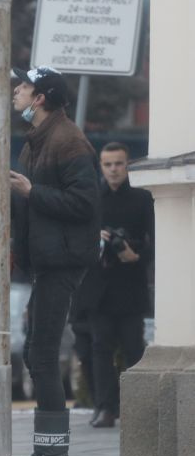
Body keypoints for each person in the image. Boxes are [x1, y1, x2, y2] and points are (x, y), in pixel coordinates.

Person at [9, 66, 100, 456]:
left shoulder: (68, 140)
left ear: (41, 97)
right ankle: (46, 455)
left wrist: (31, 192)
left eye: (24, 86)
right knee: (36, 353)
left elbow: (84, 203)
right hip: (45, 259)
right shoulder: (38, 140)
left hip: (62, 260)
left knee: (42, 354)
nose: (16, 91)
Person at [86, 142, 154, 428]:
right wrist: (96, 240)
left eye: (118, 163)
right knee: (100, 348)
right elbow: (78, 240)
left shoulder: (142, 198)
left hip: (131, 285)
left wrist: (135, 255)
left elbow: (156, 239)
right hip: (99, 287)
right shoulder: (92, 199)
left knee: (133, 348)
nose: (113, 170)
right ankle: (105, 407)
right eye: (108, 164)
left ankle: (137, 408)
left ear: (128, 165)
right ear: (101, 167)